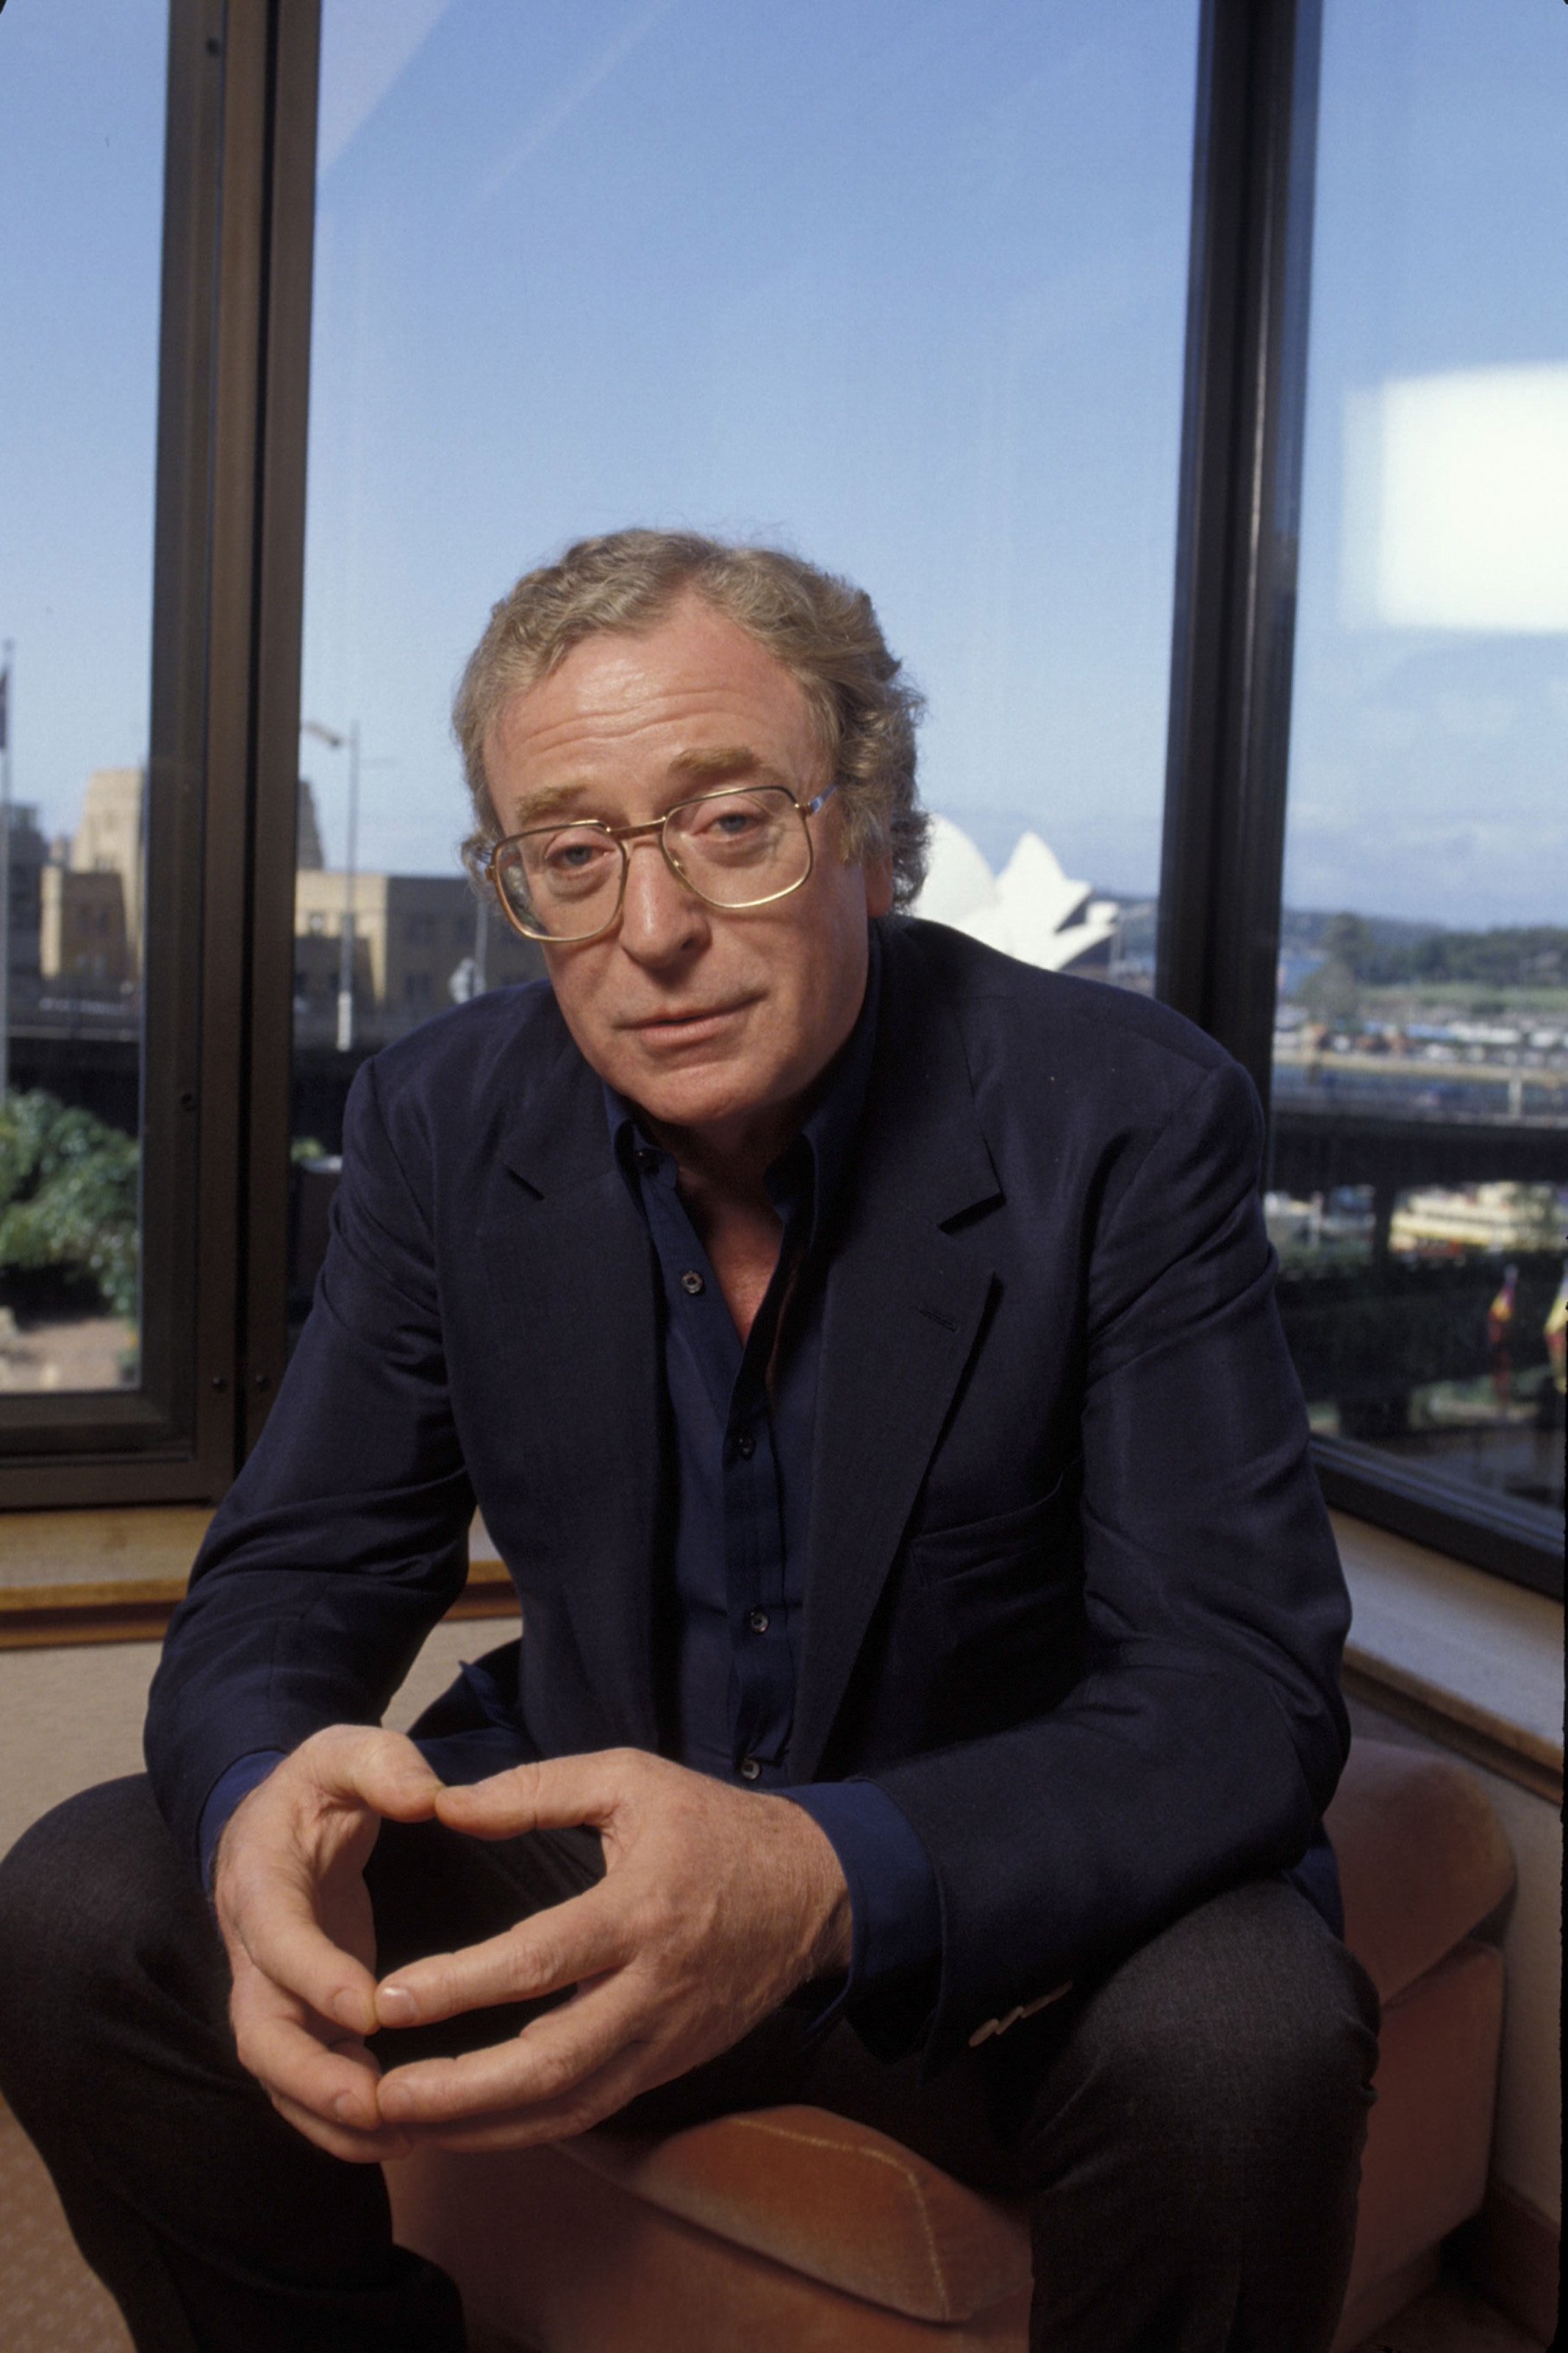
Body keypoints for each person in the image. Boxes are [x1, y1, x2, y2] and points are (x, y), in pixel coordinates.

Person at [0, 531, 1378, 2353]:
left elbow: (1233, 1691)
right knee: (85, 1899)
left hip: (983, 1898)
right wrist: (260, 1802)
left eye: (730, 824)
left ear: (867, 834)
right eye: (571, 854)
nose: (650, 931)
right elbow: (305, 1564)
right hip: (594, 1833)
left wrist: (818, 1873)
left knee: (1246, 2041)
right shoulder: (437, 1116)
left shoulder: (1123, 1115)